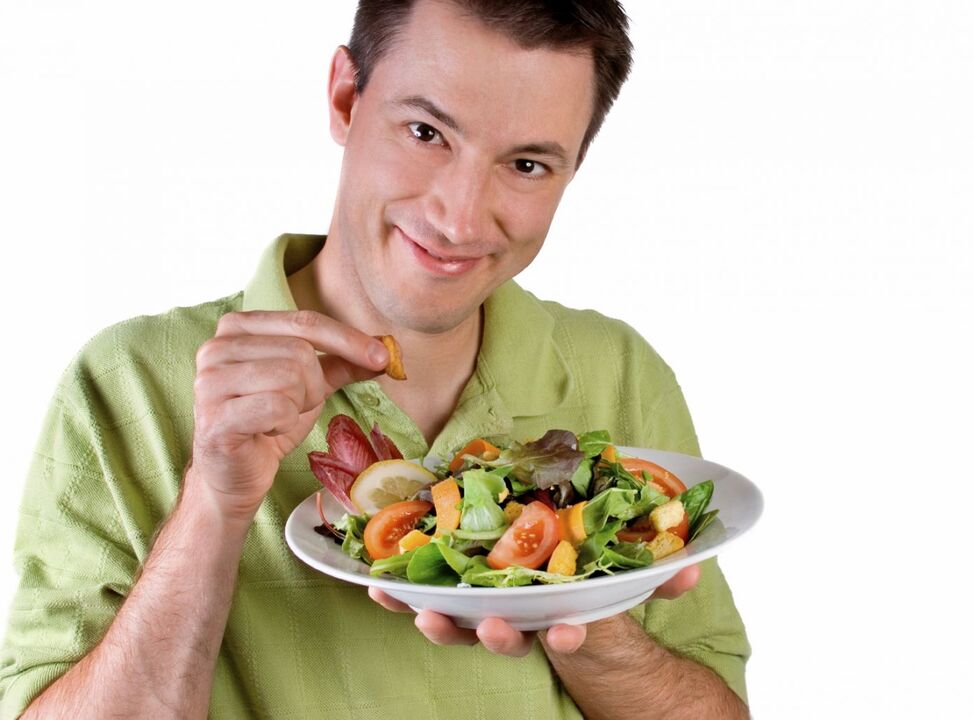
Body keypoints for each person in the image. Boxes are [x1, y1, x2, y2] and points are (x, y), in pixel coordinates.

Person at [0, 1, 750, 717]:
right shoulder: (125, 379)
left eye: (525, 165)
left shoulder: (617, 368)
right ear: (344, 98)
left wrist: (579, 608)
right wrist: (214, 504)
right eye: (426, 132)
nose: (458, 218)